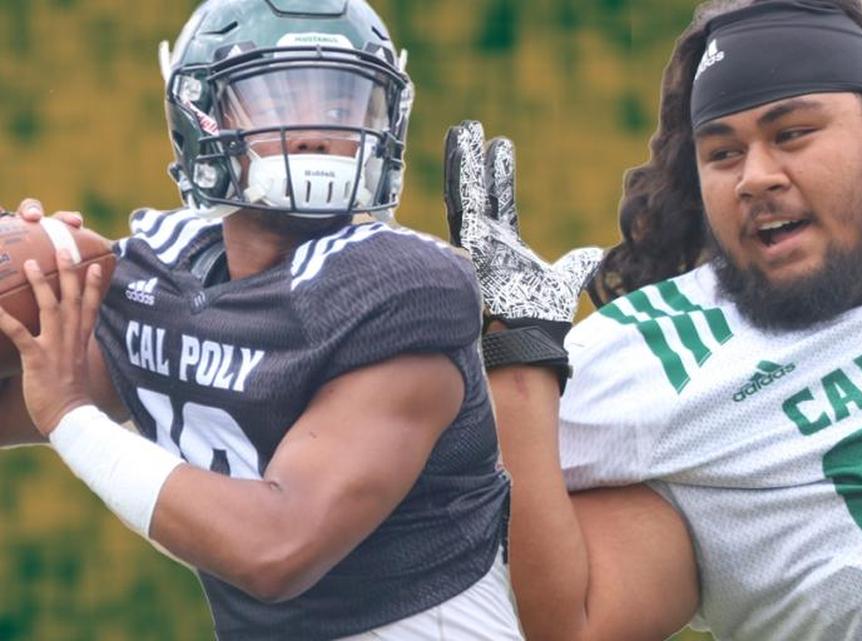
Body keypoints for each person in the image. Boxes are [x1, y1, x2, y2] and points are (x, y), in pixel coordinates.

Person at [442, 0, 862, 639]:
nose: (755, 176)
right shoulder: (662, 355)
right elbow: (570, 620)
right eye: (722, 153)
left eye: (793, 133)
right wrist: (518, 353)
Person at [0, 1, 522, 639]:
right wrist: (23, 281)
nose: (314, 132)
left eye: (340, 106)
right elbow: (23, 391)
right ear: (202, 116)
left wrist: (72, 418)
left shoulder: (398, 292)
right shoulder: (164, 278)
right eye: (279, 100)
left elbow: (276, 550)